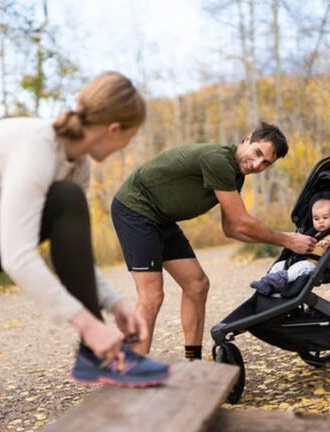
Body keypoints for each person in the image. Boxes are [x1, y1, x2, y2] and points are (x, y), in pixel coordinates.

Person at [0, 71, 170, 432]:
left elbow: (73, 258)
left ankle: (95, 355)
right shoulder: (39, 145)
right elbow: (17, 256)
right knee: (64, 198)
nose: (126, 146)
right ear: (115, 128)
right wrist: (90, 328)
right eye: (129, 138)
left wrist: (116, 303)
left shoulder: (78, 165)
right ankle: (95, 357)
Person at [110, 122, 318, 360]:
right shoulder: (218, 160)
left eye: (266, 163)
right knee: (152, 295)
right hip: (135, 208)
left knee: (197, 284)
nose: (258, 165)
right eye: (258, 153)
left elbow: (230, 229)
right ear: (246, 139)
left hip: (161, 218)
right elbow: (241, 223)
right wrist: (287, 240)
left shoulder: (236, 175)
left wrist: (279, 240)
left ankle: (193, 361)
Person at [250, 198, 330, 296]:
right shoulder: (312, 232)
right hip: (298, 260)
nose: (320, 221)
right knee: (279, 265)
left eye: (325, 218)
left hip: (313, 264)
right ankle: (267, 283)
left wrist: (327, 243)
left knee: (298, 268)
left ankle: (280, 279)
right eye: (316, 219)